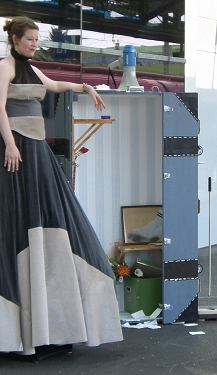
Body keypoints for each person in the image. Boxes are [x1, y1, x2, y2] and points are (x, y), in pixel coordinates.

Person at [0, 16, 123, 359]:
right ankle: (22, 323)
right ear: (14, 38)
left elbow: (54, 85)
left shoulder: (30, 69)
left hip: (37, 151)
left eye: (37, 39)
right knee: (22, 222)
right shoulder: (5, 67)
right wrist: (10, 145)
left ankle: (50, 318)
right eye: (30, 39)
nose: (35, 44)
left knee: (53, 218)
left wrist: (86, 87)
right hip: (19, 151)